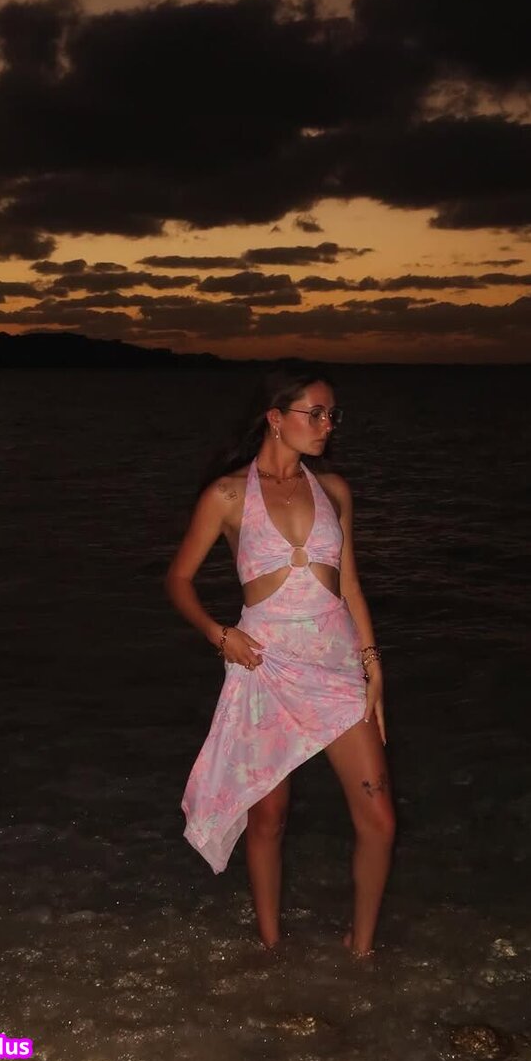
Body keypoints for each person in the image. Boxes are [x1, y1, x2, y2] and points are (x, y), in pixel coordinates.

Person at [165, 367, 395, 957]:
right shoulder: (227, 496)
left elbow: (349, 585)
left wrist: (373, 666)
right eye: (314, 413)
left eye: (331, 415)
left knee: (379, 819)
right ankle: (271, 949)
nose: (327, 425)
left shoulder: (334, 490)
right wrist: (220, 635)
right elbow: (179, 580)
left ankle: (362, 951)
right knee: (269, 819)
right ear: (275, 417)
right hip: (265, 667)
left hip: (337, 668)